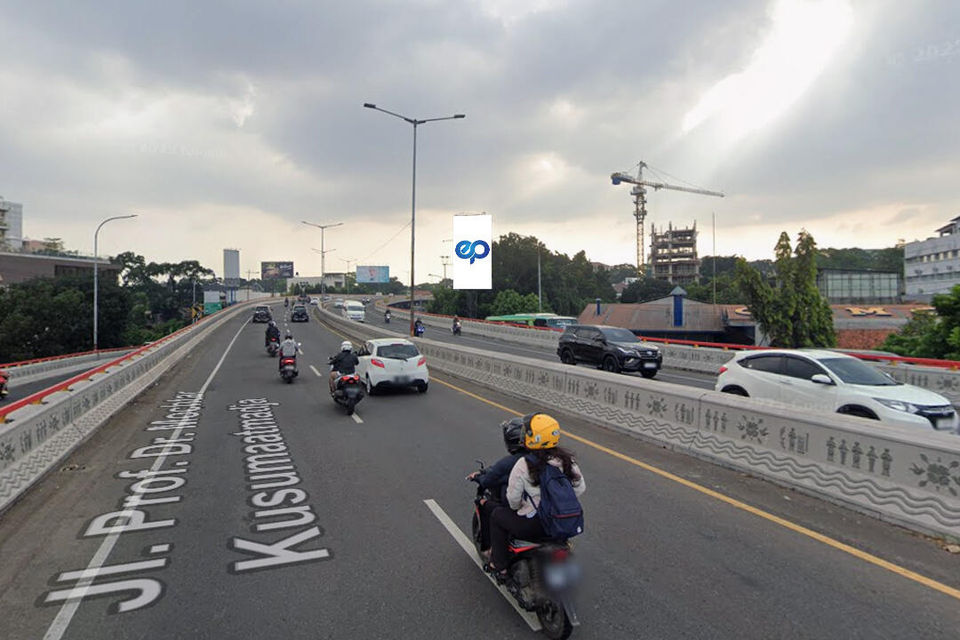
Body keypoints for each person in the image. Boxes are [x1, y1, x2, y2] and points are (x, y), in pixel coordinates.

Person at [487, 413, 585, 576]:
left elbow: (513, 500)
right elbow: (580, 489)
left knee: (497, 515)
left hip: (536, 525)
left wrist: (521, 507)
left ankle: (499, 565)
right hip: (563, 523)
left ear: (534, 437)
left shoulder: (524, 463)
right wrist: (560, 503)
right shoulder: (568, 461)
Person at [467, 417, 526, 558]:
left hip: (523, 513)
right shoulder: (548, 459)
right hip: (546, 514)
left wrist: (478, 477)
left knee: (488, 507)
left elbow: (490, 479)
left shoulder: (513, 462)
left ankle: (493, 556)